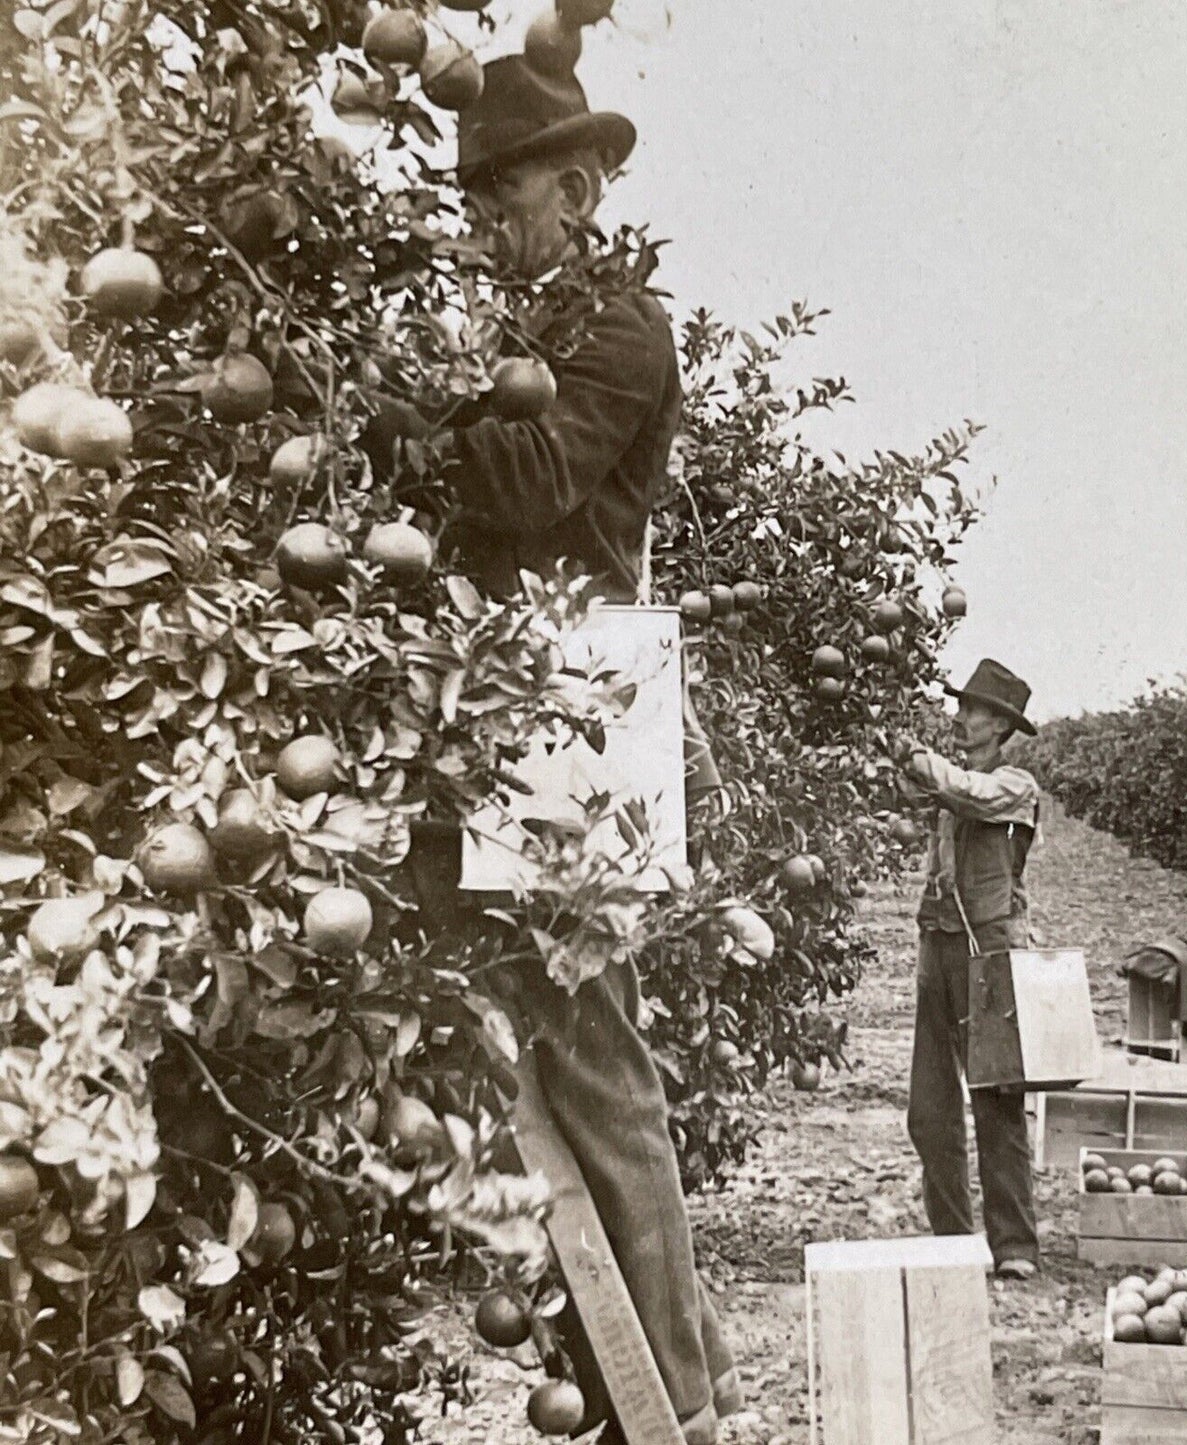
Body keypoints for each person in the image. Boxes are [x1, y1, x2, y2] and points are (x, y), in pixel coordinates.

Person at [388, 52, 735, 1445]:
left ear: (579, 191)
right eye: (466, 196)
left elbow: (530, 481)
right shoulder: (513, 329)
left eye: (501, 194)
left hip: (578, 704)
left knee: (591, 1057)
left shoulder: (619, 329)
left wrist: (409, 397)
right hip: (486, 696)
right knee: (512, 1046)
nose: (479, 220)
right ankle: (635, 1372)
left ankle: (681, 1398)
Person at [892, 658, 1043, 1280]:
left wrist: (913, 754)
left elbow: (967, 794)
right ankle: (953, 1237)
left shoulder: (1014, 785)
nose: (958, 718)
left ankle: (1014, 1247)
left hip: (990, 952)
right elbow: (916, 791)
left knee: (995, 1102)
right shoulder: (947, 782)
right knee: (930, 1109)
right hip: (940, 945)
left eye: (970, 710)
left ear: (1000, 725)